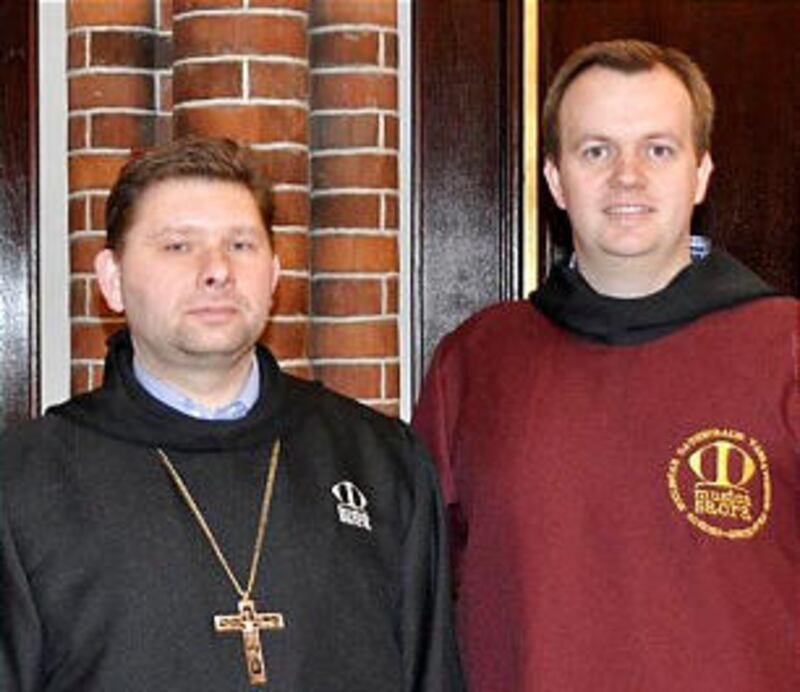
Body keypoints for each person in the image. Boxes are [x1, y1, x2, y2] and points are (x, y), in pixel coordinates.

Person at [2, 137, 464, 691]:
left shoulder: (380, 461)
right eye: (178, 246)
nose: (217, 270)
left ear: (273, 274)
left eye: (241, 244)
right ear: (111, 280)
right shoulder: (25, 481)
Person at [413, 39, 799, 691]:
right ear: (556, 179)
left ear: (701, 172)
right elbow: (420, 602)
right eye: (597, 151)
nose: (628, 176)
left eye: (658, 149)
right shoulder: (475, 364)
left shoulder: (786, 346)